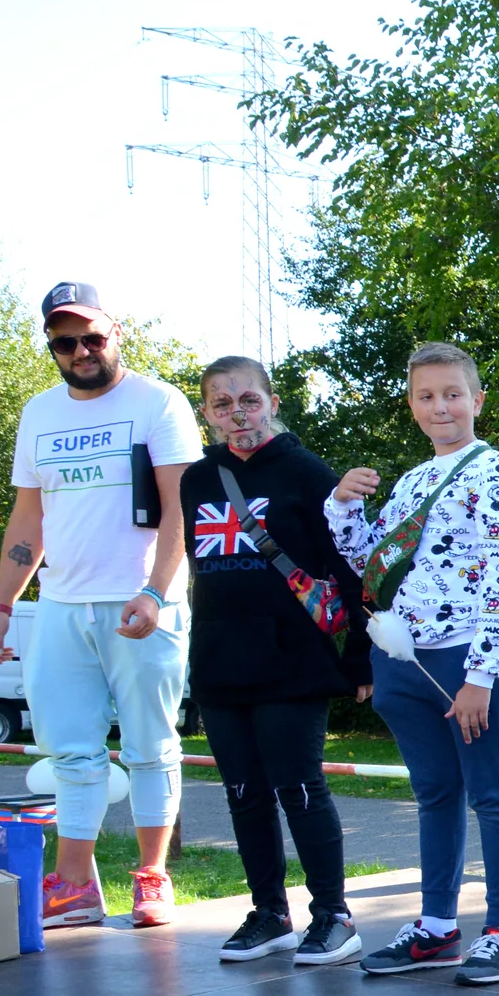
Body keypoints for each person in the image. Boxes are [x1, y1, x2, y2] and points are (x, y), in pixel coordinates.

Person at [0, 282, 196, 929]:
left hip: (143, 603)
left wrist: (157, 591)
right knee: (70, 749)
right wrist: (0, 605)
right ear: (52, 344)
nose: (81, 350)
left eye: (92, 337)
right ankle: (75, 886)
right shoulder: (39, 412)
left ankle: (152, 878)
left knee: (151, 747)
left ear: (115, 331)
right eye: (65, 341)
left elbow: (182, 505)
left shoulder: (159, 401)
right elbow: (28, 516)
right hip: (62, 605)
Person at [328, 343, 499, 985]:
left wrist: (480, 674)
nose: (439, 406)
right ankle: (438, 927)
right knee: (434, 794)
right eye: (426, 396)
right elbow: (371, 561)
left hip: (466, 658)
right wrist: (344, 504)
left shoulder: (497, 476)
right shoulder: (415, 480)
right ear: (412, 407)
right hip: (404, 658)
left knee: (494, 796)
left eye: (451, 394)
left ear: (477, 401)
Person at [181, 357, 371, 965]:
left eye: (248, 400)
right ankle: (269, 913)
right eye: (221, 403)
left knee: (299, 788)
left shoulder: (308, 473)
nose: (237, 413)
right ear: (207, 413)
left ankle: (334, 916)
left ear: (271, 402)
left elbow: (348, 569)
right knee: (242, 792)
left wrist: (360, 659)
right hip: (219, 661)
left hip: (292, 661)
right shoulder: (195, 481)